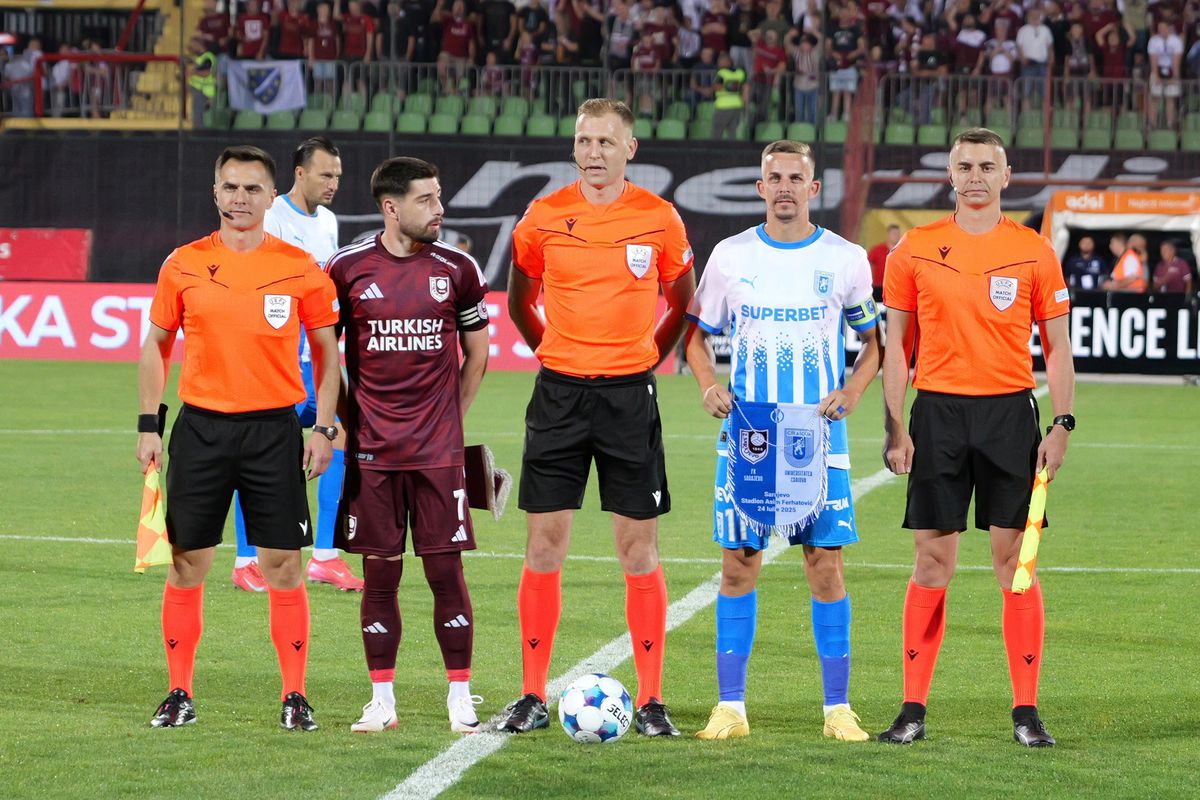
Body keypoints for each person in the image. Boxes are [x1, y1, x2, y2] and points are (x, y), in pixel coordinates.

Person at [499, 98, 696, 737]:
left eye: (606, 142)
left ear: (629, 149)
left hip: (627, 398)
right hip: (558, 396)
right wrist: (554, 354)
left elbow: (682, 300)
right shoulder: (543, 217)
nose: (593, 152)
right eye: (584, 140)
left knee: (637, 548)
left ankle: (651, 701)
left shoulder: (659, 219)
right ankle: (531, 695)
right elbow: (522, 299)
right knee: (544, 543)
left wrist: (645, 362)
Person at [879, 128, 1075, 748]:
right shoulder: (915, 247)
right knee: (932, 563)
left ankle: (1026, 712)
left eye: (987, 166)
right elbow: (896, 349)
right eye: (965, 165)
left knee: (1016, 565)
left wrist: (1062, 423)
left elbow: (1058, 350)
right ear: (950, 173)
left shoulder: (1035, 251)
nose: (975, 176)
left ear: (1007, 175)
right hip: (936, 416)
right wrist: (895, 424)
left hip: (1009, 417)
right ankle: (912, 708)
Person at [137, 145, 340, 731]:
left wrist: (323, 427)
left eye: (253, 189)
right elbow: (155, 344)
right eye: (230, 187)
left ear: (270, 196)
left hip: (274, 430)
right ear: (215, 192)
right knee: (187, 562)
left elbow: (328, 353)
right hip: (200, 430)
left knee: (283, 566)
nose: (240, 199)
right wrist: (149, 426)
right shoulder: (183, 263)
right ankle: (179, 693)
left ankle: (294, 696)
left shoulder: (300, 266)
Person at [684, 140, 882, 742]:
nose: (787, 187)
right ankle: (730, 708)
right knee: (738, 566)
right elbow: (695, 337)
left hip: (819, 438)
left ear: (814, 188)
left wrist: (851, 393)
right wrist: (707, 383)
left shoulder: (846, 259)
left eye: (797, 177)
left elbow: (875, 345)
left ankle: (837, 709)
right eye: (776, 177)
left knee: (825, 568)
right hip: (749, 435)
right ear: (761, 187)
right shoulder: (729, 255)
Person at [326, 156, 491, 734]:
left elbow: (479, 353)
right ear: (391, 207)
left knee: (447, 575)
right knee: (380, 577)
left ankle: (460, 698)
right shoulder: (345, 270)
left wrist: (451, 419)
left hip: (439, 455)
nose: (440, 209)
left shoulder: (459, 268)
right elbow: (330, 359)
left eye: (440, 196)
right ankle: (382, 701)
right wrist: (348, 422)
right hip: (373, 455)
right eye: (427, 200)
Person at [229, 137, 362, 593]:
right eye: (325, 174)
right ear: (300, 173)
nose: (333, 184)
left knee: (342, 433)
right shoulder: (272, 218)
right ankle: (246, 560)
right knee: (259, 453)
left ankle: (324, 555)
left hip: (318, 357)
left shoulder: (328, 222)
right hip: (276, 360)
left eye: (338, 176)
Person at [867, 223, 901, 292]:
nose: (896, 236)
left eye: (898, 234)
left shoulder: (902, 251)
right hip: (878, 287)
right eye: (894, 234)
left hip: (896, 287)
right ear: (888, 234)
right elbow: (867, 263)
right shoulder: (877, 249)